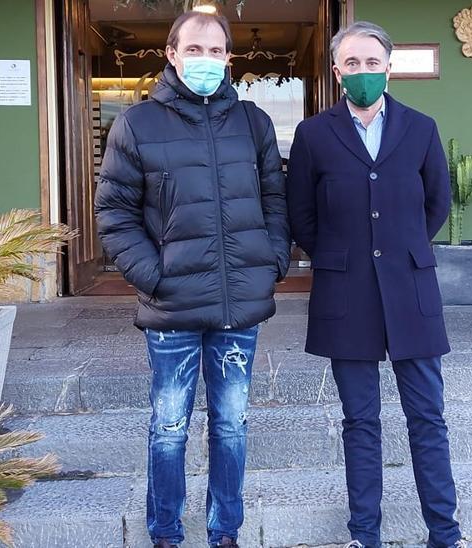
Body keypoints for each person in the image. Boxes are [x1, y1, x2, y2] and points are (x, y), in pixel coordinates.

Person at [92, 10, 291, 548]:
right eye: (194, 49)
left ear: (230, 57)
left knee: (231, 425)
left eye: (216, 50)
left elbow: (276, 199)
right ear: (173, 55)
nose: (205, 60)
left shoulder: (253, 123)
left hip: (238, 305)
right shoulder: (137, 125)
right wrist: (151, 276)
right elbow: (113, 212)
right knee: (170, 427)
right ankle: (165, 531)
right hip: (173, 304)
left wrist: (273, 260)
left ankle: (225, 530)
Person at [284, 20, 466, 548]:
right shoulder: (314, 134)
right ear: (337, 70)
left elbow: (436, 204)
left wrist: (400, 252)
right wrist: (342, 260)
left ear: (388, 67)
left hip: (411, 291)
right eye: (353, 63)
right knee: (360, 422)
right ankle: (365, 534)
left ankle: (445, 534)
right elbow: (302, 217)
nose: (363, 71)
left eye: (373, 62)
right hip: (346, 294)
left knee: (427, 419)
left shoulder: (421, 128)